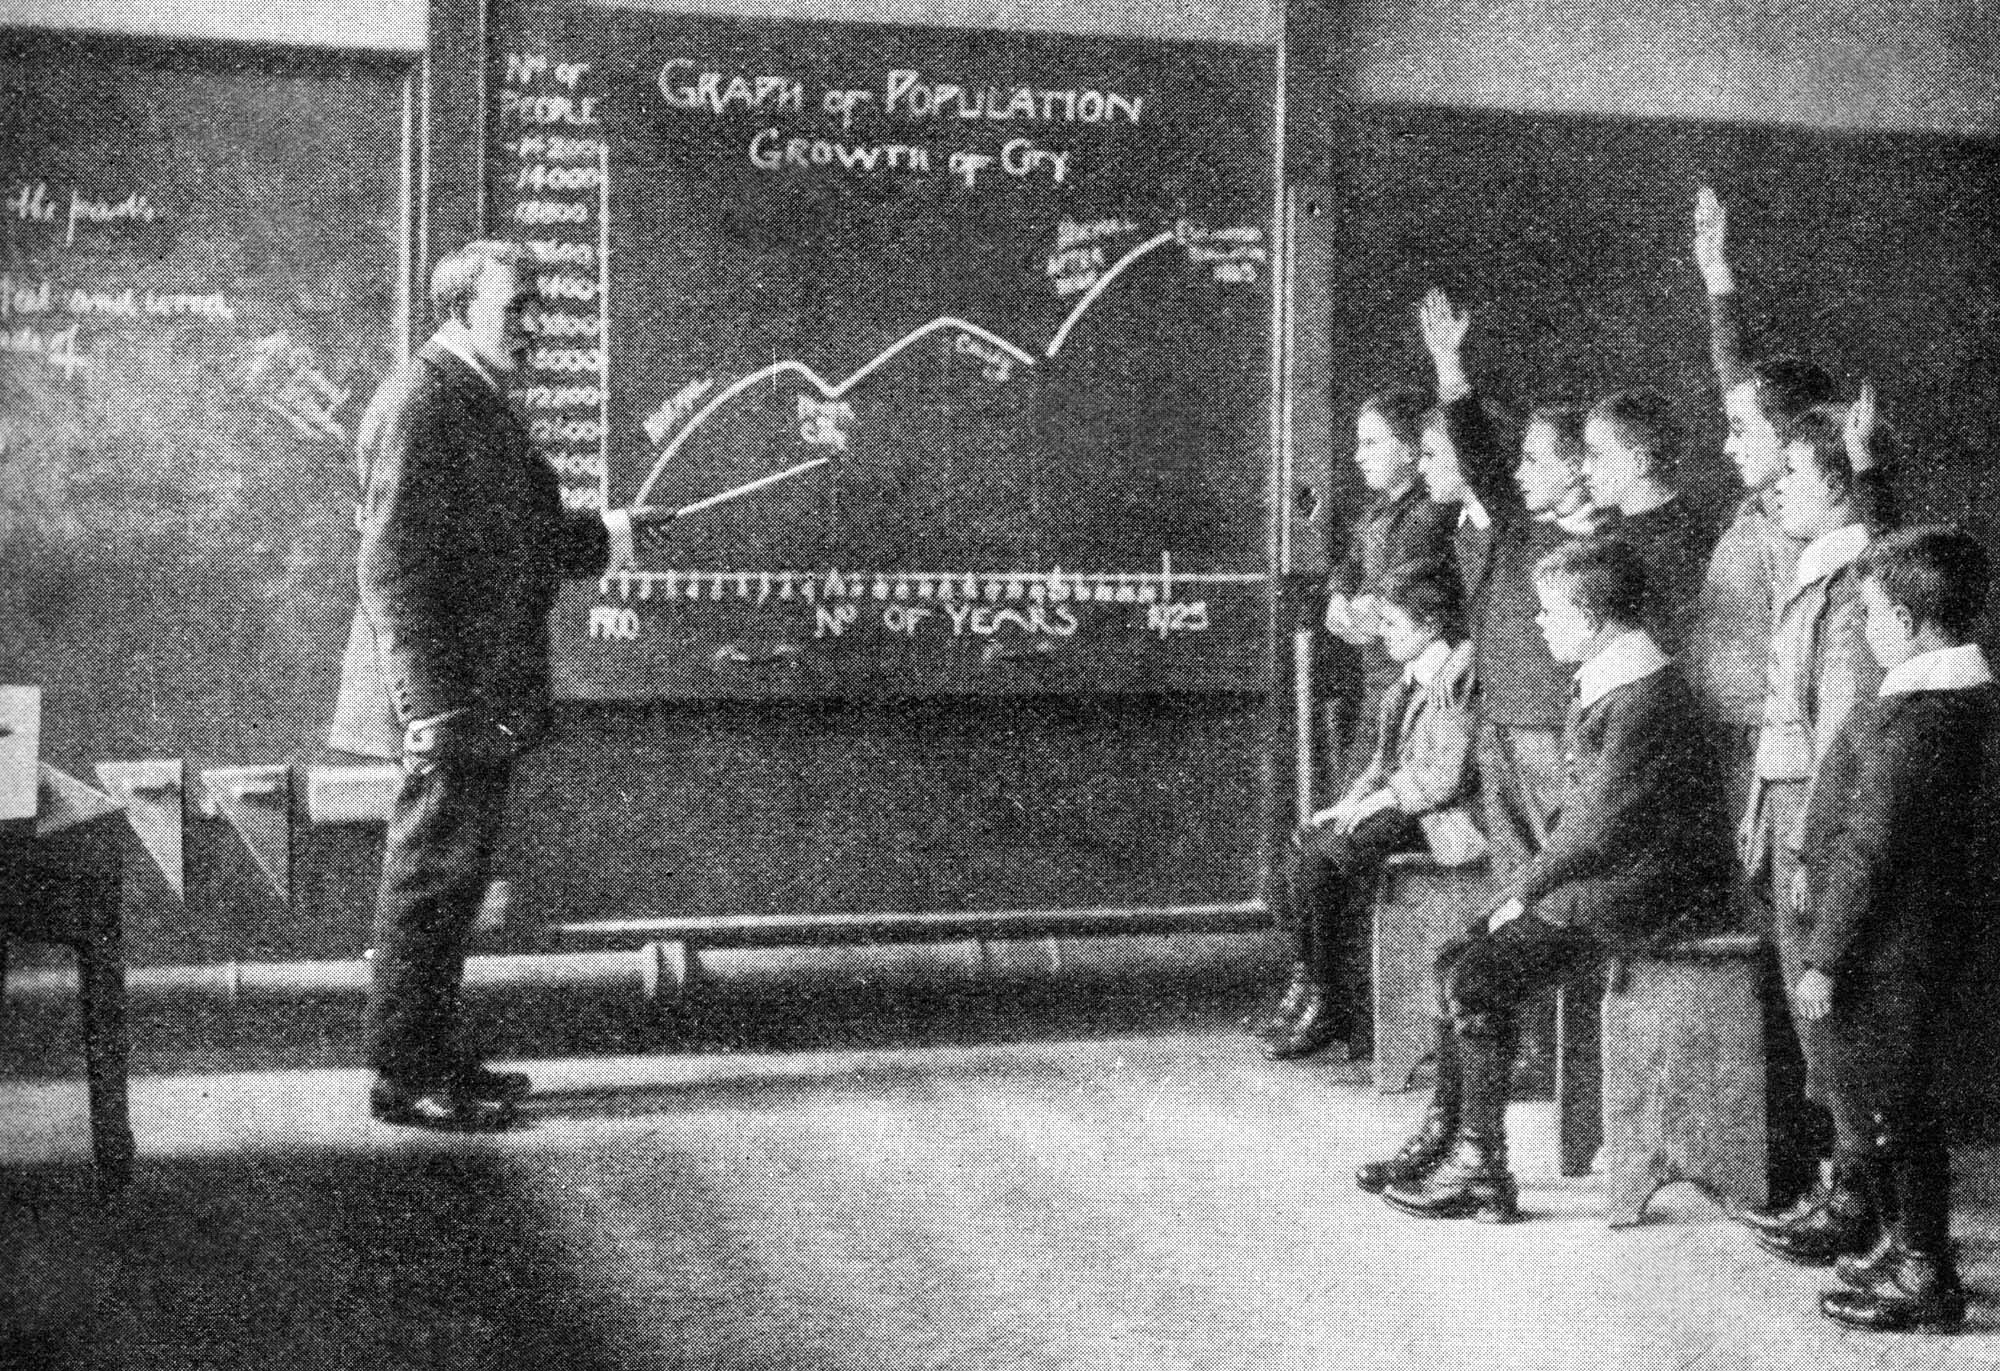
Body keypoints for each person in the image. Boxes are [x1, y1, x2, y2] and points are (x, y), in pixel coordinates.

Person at [329, 239, 671, 1131]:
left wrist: (614, 534)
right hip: (449, 696)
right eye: (516, 306)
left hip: (477, 694)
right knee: (432, 879)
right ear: (459, 308)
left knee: (453, 879)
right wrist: (431, 706)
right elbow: (392, 571)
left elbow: (514, 532)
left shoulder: (471, 396)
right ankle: (404, 1075)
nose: (534, 324)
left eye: (537, 306)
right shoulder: (425, 402)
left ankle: (433, 1052)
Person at [1359, 537, 1726, 1221]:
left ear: (1590, 618)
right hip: (1614, 881)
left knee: (1477, 972)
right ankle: (1454, 1140)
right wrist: (1518, 897)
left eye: (1549, 612)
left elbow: (1597, 832)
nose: (1539, 624)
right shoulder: (1614, 681)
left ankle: (1482, 1166)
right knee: (1459, 959)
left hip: (1644, 894)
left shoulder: (1642, 697)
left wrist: (1514, 896)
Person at [1785, 526, 1995, 1332]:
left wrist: (1824, 959)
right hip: (1913, 945)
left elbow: (1872, 852)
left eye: (1873, 613)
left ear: (1906, 620)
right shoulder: (1949, 699)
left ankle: (1925, 1275)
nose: (1867, 628)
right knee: (1896, 1104)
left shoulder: (1925, 719)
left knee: (1897, 1109)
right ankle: (1909, 1247)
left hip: (1895, 952)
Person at [1251, 390, 1455, 1043]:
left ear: (1408, 448)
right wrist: (1342, 596)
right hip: (1382, 688)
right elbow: (1351, 569)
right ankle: (1316, 983)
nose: (1360, 454)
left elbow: (1408, 597)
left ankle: (1336, 996)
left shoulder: (1429, 518)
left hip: (1406, 686)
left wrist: (1367, 612)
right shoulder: (1382, 511)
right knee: (1325, 833)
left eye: (1372, 442)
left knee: (1343, 845)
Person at [1737, 402, 1894, 1240]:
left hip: (1820, 820)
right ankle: (1848, 1185)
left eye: (1792, 471)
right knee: (1813, 1011)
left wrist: (1804, 844)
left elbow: (1841, 737)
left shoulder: (1847, 580)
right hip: (1792, 807)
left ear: (1837, 485)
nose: (1776, 485)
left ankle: (1857, 1198)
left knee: (1831, 1006)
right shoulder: (1821, 567)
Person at [1260, 560, 1483, 1061]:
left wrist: (1375, 805)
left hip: (1447, 819)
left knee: (1323, 863)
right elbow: (1382, 766)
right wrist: (1347, 806)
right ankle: (1317, 988)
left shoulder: (1458, 678)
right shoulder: (1408, 679)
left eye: (1391, 625)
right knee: (1304, 844)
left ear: (1428, 627)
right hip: (1408, 808)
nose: (1381, 637)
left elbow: (1443, 779)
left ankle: (1331, 1005)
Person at [1414, 290, 1570, 893]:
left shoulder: (1573, 534)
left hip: (1547, 725)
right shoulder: (1495, 529)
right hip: (1498, 723)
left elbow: (1479, 454)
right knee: (1515, 886)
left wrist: (1450, 371)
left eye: (1534, 462)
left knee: (1555, 887)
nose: (1519, 476)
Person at [1581, 388, 1717, 654]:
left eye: (1595, 455)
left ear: (1639, 462)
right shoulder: (1612, 535)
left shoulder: (1683, 545)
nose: (1585, 470)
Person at [1515, 405, 1606, 539]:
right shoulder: (1523, 537)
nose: (1518, 475)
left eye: (1531, 461)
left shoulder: (1613, 533)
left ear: (1572, 470)